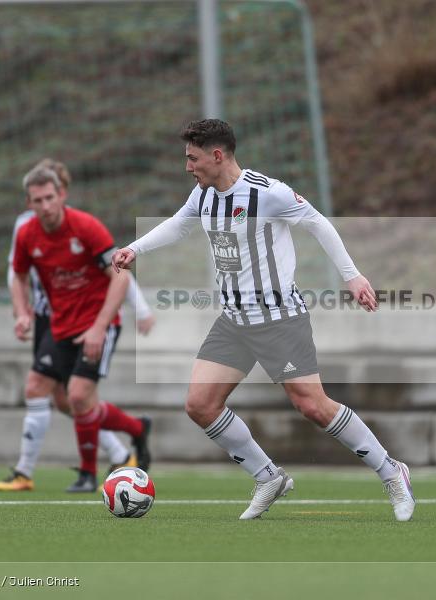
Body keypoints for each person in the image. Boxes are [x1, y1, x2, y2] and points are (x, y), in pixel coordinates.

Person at [111, 119, 415, 521]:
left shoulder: (267, 192)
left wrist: (353, 276)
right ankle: (268, 477)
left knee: (312, 406)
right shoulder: (203, 195)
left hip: (279, 318)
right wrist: (135, 249)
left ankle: (392, 472)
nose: (188, 167)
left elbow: (318, 224)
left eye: (193, 158)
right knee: (201, 404)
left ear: (217, 156)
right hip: (234, 320)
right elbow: (180, 223)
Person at [0, 159, 156, 492]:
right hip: (59, 324)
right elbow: (18, 276)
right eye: (37, 200)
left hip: (98, 324)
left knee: (79, 396)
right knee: (39, 388)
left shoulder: (86, 227)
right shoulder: (26, 233)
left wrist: (101, 327)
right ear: (29, 203)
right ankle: (135, 430)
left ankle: (87, 474)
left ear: (62, 194)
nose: (45, 206)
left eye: (50, 197)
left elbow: (120, 276)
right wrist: (22, 312)